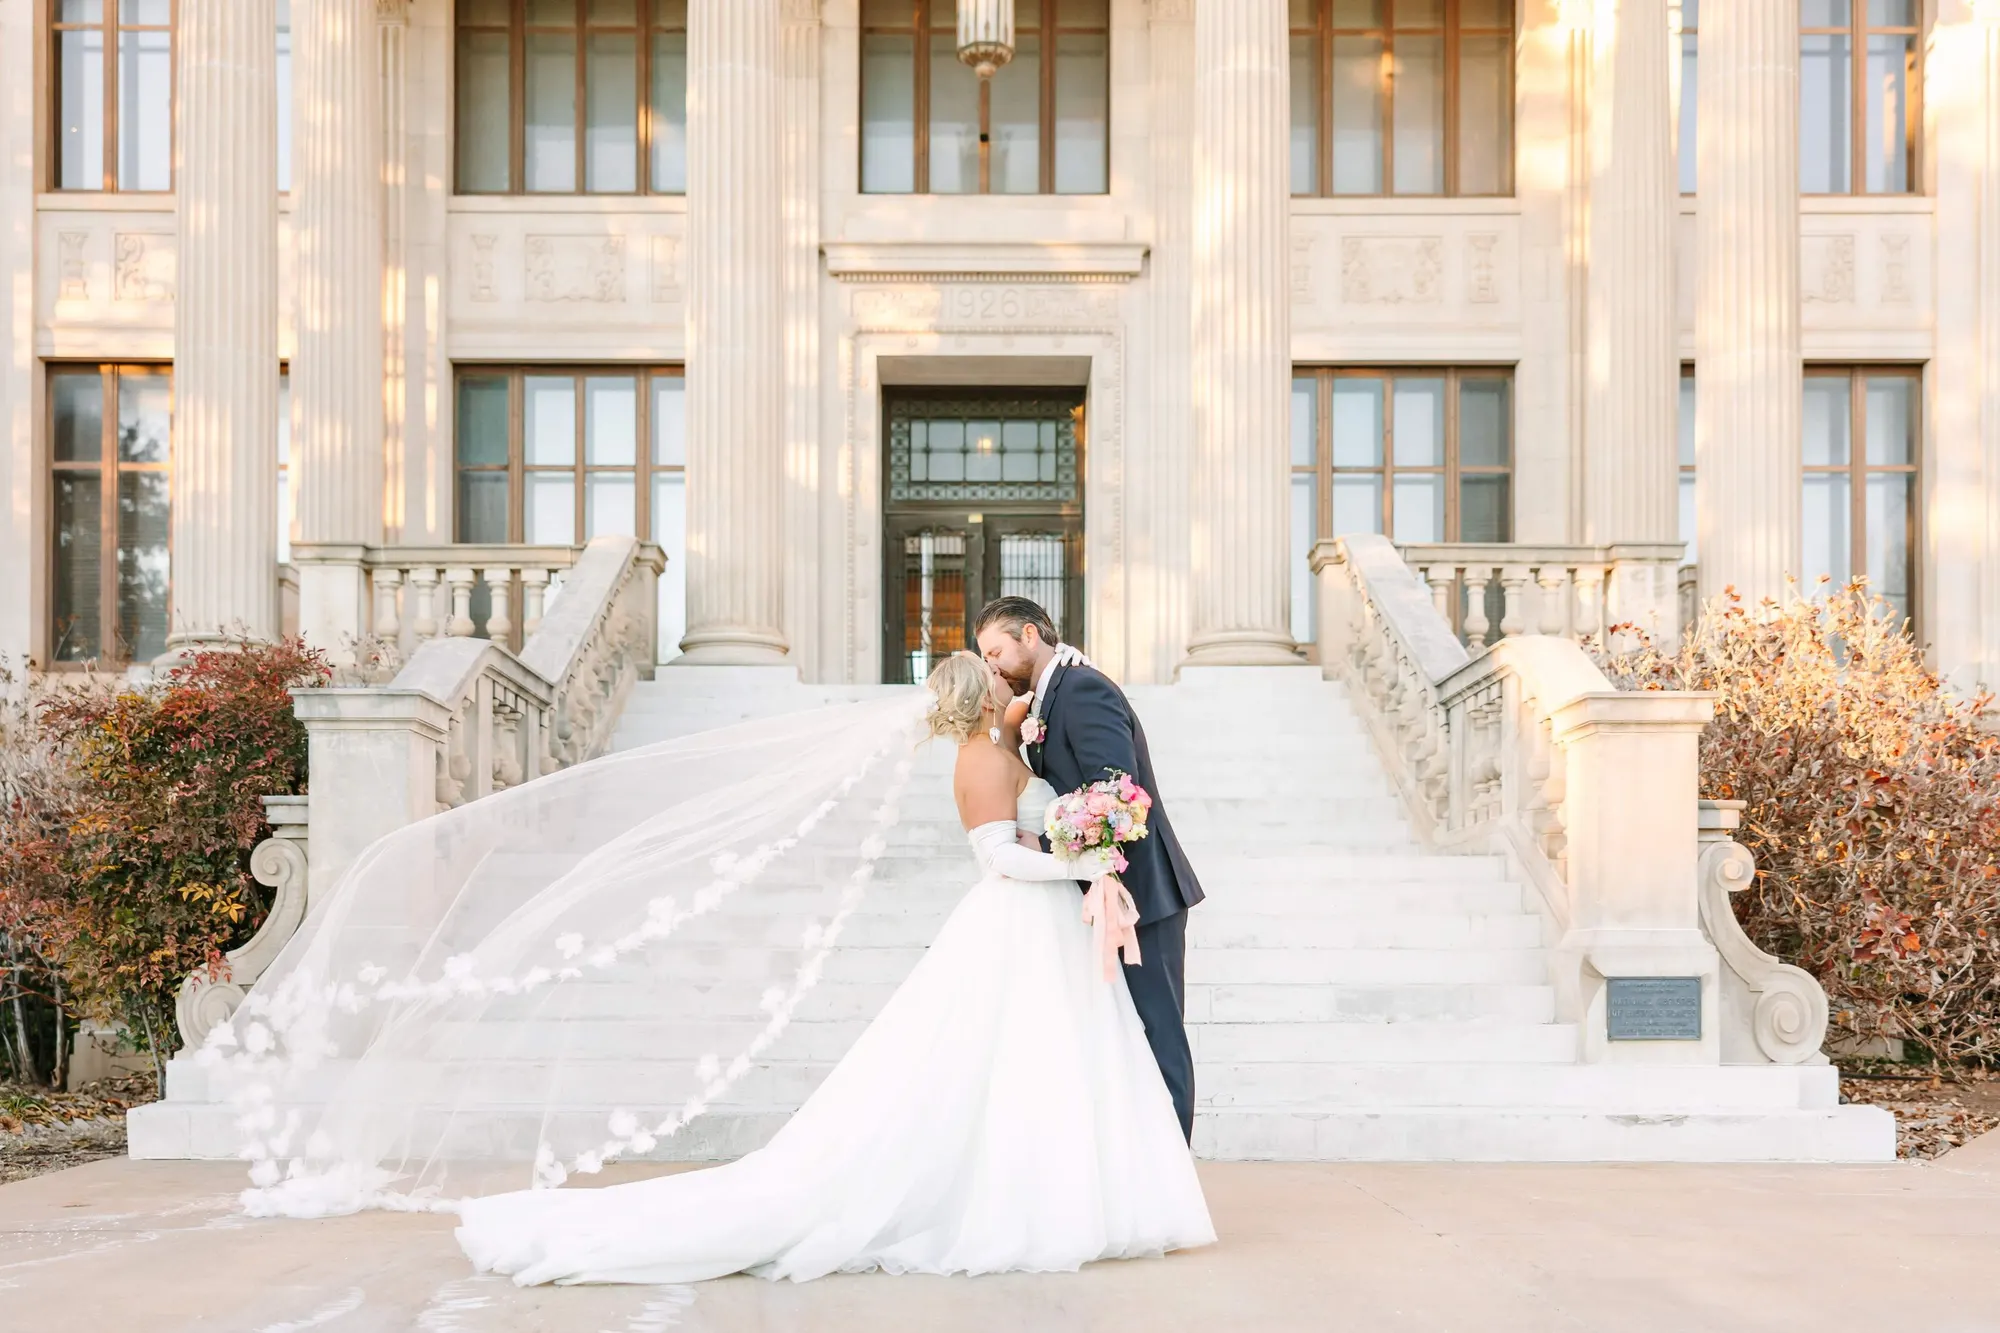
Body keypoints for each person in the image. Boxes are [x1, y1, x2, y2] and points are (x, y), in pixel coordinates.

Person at [450, 652, 1213, 1284]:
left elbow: (1034, 744)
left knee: (1049, 1061)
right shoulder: (982, 760)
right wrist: (1081, 862)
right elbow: (998, 856)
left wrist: (1058, 782)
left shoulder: (1003, 743)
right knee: (1006, 1063)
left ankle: (1063, 1189)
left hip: (1045, 925)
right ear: (982, 697)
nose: (1004, 677)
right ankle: (1025, 1203)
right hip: (1018, 917)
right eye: (993, 673)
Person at [975, 597, 1205, 1141]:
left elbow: (1118, 793)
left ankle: (1171, 1170)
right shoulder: (1047, 697)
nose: (992, 667)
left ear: (1030, 635)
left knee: (1156, 1033)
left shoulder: (1082, 689)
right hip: (1096, 892)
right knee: (1122, 1039)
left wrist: (1051, 844)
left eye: (995, 652)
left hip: (1140, 895)